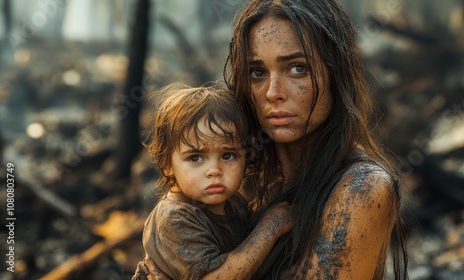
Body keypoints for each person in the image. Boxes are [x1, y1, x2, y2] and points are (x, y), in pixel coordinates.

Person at [134, 0, 409, 279]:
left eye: (297, 68)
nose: (273, 92)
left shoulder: (362, 187)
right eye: (257, 72)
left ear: (335, 73)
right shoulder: (237, 178)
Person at [137, 83, 293, 280]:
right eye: (195, 158)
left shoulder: (234, 204)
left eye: (228, 155)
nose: (214, 171)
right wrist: (271, 228)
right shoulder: (174, 217)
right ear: (167, 164)